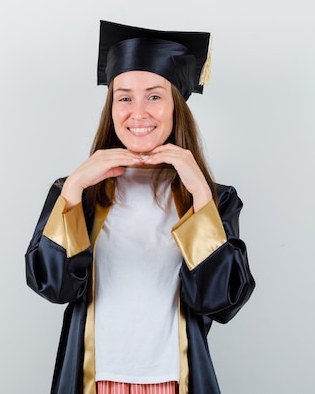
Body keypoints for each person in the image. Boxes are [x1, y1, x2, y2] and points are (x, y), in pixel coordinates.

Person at [24, 20, 256, 394]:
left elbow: (221, 300)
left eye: (154, 96)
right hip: (93, 379)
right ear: (111, 106)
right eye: (124, 97)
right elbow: (53, 286)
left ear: (176, 105)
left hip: (176, 379)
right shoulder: (76, 192)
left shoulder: (214, 198)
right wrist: (73, 190)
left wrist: (199, 194)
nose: (138, 112)